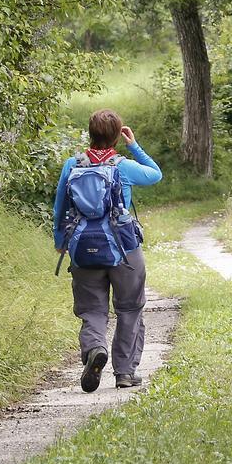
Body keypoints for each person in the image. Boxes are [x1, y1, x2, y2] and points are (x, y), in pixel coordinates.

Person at [54, 109, 162, 392]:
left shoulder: (72, 165)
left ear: (90, 133)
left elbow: (60, 207)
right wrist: (134, 146)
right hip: (124, 249)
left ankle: (95, 349)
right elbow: (155, 175)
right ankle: (124, 373)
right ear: (116, 135)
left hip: (82, 249)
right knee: (129, 309)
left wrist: (59, 241)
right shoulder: (122, 166)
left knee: (92, 310)